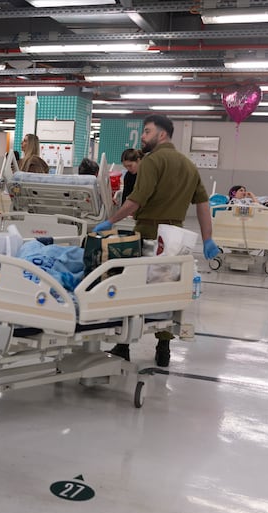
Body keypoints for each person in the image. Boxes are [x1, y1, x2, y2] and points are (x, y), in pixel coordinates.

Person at [92, 114, 219, 367]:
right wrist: (208, 239)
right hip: (176, 238)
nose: (142, 136)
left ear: (162, 135)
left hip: (149, 233)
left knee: (133, 288)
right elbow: (203, 204)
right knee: (165, 290)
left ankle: (124, 345)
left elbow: (136, 201)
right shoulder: (188, 165)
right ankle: (163, 348)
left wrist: (111, 221)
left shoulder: (151, 162)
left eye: (147, 131)